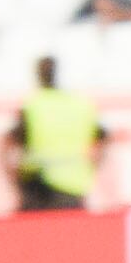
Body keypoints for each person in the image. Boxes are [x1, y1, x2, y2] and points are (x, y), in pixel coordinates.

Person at [12, 56, 104, 211]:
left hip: (39, 188)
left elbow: (12, 143)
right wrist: (93, 168)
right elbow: (103, 138)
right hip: (74, 186)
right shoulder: (80, 104)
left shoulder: (34, 104)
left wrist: (14, 177)